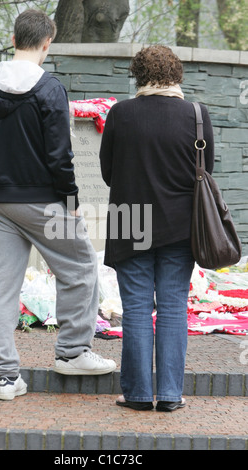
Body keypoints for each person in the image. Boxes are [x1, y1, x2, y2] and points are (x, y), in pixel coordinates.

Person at [0, 9, 116, 401]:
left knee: (1, 284)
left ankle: (4, 378)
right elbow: (60, 156)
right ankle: (72, 351)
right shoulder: (49, 89)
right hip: (43, 202)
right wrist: (72, 200)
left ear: (13, 40)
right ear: (47, 43)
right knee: (81, 265)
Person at [99, 45, 214, 412]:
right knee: (173, 306)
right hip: (181, 225)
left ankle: (135, 394)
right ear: (177, 75)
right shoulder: (197, 114)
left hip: (130, 220)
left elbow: (107, 172)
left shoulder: (121, 114)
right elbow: (205, 172)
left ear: (138, 76)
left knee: (134, 308)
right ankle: (168, 394)